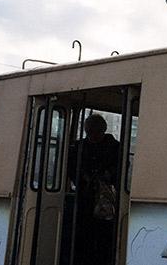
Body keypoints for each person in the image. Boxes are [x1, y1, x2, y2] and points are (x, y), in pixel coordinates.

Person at [70, 114, 120, 265]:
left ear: (103, 130)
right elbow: (71, 169)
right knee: (83, 239)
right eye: (90, 132)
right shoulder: (78, 148)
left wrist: (107, 176)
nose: (93, 136)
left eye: (96, 132)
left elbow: (121, 169)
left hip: (107, 201)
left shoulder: (115, 148)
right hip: (84, 200)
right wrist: (84, 177)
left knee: (104, 239)